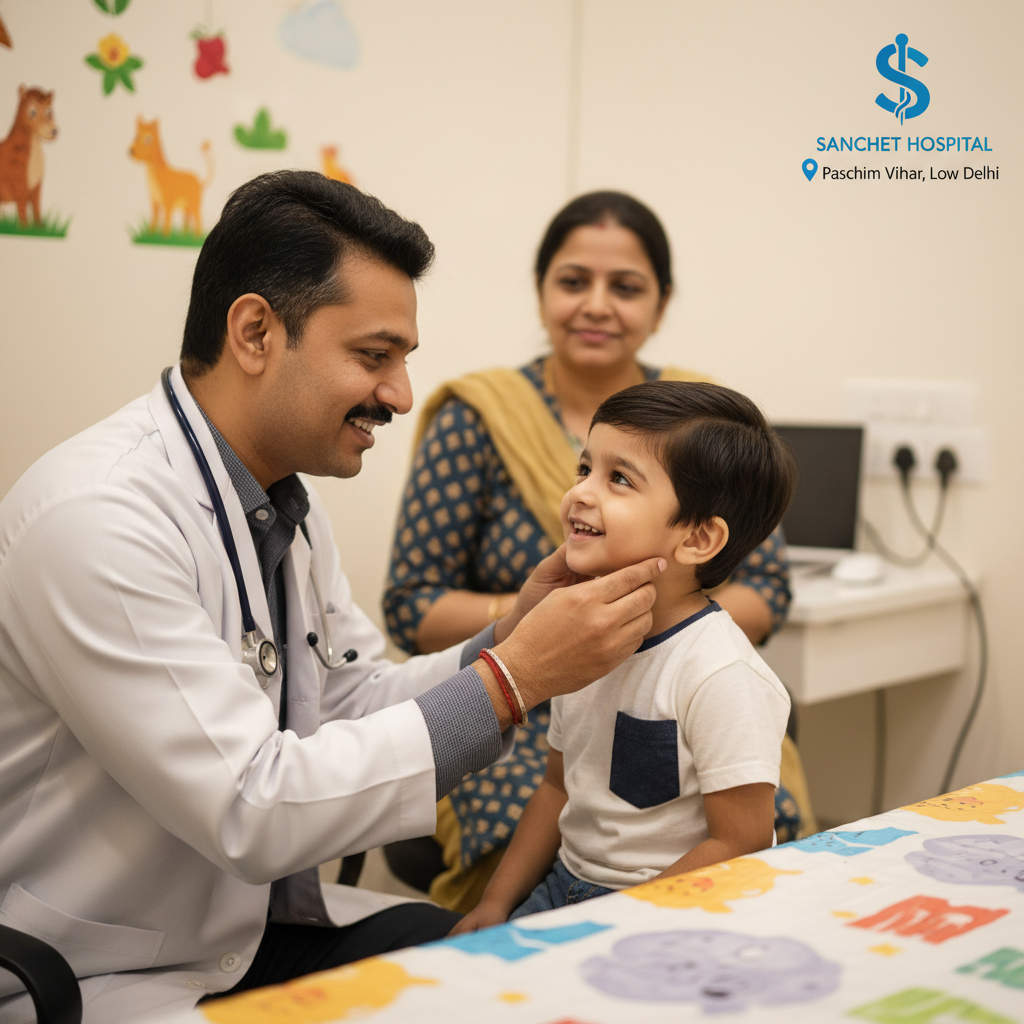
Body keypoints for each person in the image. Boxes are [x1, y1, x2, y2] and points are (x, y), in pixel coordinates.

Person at [0, 171, 668, 1022]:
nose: (399, 395)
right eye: (372, 357)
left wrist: (505, 639)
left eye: (402, 361)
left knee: (491, 970)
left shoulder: (279, 504)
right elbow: (252, 806)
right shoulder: (98, 518)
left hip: (233, 927)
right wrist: (514, 682)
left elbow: (348, 699)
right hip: (98, 965)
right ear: (255, 332)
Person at [383, 191, 813, 913]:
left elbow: (766, 583)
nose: (597, 304)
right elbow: (411, 606)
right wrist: (549, 625)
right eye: (574, 280)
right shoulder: (477, 415)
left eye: (626, 286)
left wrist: (652, 625)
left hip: (665, 702)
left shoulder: (706, 422)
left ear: (661, 301)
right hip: (523, 687)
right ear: (543, 287)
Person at [453, 380, 796, 930]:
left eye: (619, 479)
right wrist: (494, 905)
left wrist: (624, 922)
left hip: (674, 907)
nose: (582, 493)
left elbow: (742, 840)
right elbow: (556, 787)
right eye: (584, 469)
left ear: (698, 540)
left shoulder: (719, 672)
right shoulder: (580, 642)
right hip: (563, 887)